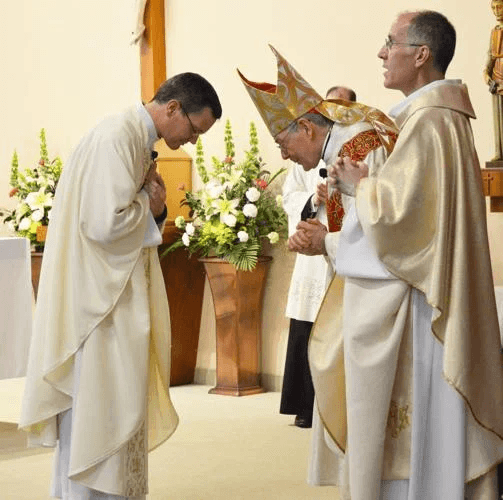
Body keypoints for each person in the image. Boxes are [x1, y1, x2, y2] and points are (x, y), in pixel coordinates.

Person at [300, 10, 503, 499]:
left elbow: (407, 224)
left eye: (390, 42)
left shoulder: (431, 121)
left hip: (421, 305)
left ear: (421, 54)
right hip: (423, 293)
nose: (381, 52)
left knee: (419, 435)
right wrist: (360, 193)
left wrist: (361, 188)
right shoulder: (431, 117)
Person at [19, 72, 222, 499]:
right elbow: (102, 224)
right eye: (194, 129)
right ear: (172, 108)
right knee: (98, 419)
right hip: (99, 311)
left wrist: (153, 209)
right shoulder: (117, 137)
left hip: (109, 299)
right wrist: (149, 207)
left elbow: (125, 215)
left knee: (111, 412)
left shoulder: (130, 136)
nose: (192, 141)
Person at [280, 86, 357, 429]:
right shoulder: (318, 154)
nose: (284, 155)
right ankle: (305, 404)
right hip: (316, 251)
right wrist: (313, 200)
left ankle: (330, 407)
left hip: (342, 253)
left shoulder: (355, 149)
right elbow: (289, 195)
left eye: (285, 145)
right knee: (307, 327)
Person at [484, 0, 503, 161]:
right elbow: (491, 54)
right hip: (497, 77)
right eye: (494, 8)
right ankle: (499, 151)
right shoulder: (495, 31)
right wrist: (486, 72)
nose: (496, 11)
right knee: (498, 117)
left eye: (500, 6)